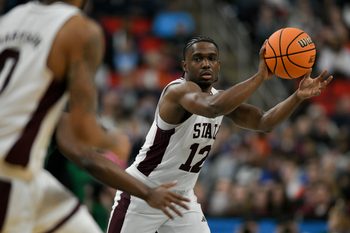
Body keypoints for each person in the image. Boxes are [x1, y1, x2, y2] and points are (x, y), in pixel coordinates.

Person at [107, 36, 333, 233]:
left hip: (182, 197)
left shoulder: (221, 98)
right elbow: (213, 107)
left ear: (218, 65)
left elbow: (264, 122)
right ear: (185, 64)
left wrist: (297, 97)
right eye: (198, 58)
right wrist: (260, 76)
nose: (206, 63)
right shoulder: (177, 91)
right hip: (143, 192)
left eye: (212, 58)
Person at [0, 1, 189, 232]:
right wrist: (111, 140)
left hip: (34, 181)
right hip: (11, 178)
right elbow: (83, 139)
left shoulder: (9, 20)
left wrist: (148, 192)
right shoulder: (79, 31)